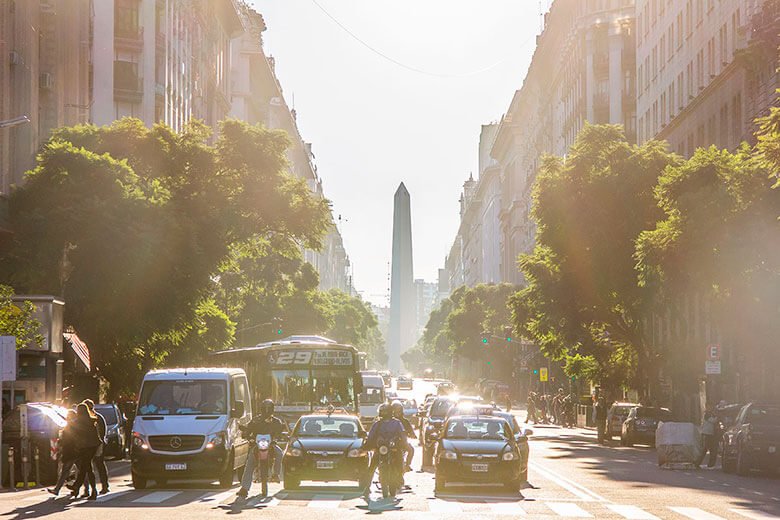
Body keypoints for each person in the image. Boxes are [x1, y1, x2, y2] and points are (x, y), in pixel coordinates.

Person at [236, 399, 286, 499]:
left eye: (269, 408)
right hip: (257, 445)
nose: (267, 411)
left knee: (280, 453)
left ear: (272, 409)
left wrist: (281, 435)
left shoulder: (276, 421)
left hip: (271, 444)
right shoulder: (255, 420)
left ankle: (276, 474)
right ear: (262, 409)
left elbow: (280, 430)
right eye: (265, 408)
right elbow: (248, 428)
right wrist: (246, 433)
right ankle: (244, 488)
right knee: (250, 463)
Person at [362, 403, 407, 498]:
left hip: (393, 448)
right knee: (372, 467)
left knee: (400, 462)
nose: (384, 413)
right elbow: (371, 435)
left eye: (385, 411)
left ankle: (400, 477)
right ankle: (366, 486)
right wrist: (367, 445)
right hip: (381, 449)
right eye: (382, 411)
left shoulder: (397, 423)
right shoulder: (377, 424)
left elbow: (403, 434)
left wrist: (403, 443)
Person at [71, 403, 101, 500]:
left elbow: (75, 436)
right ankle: (79, 487)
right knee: (86, 468)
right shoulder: (92, 420)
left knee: (86, 468)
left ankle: (79, 486)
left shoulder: (78, 422)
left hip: (85, 447)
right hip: (93, 446)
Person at [81, 399, 109, 494]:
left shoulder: (97, 418)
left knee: (99, 464)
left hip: (97, 444)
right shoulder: (86, 419)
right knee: (89, 467)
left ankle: (104, 485)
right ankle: (87, 489)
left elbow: (103, 432)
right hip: (89, 445)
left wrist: (100, 443)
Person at [47, 410, 78, 496]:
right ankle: (86, 490)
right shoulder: (75, 425)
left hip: (71, 452)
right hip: (76, 451)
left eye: (68, 416)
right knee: (81, 471)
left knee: (65, 471)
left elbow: (67, 440)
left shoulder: (70, 426)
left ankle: (57, 489)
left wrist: (61, 442)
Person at [390, 401, 415, 472]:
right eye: (395, 410)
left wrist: (412, 434)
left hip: (402, 442)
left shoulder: (405, 421)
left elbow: (411, 431)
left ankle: (407, 465)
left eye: (398, 410)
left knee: (411, 450)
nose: (397, 412)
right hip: (388, 442)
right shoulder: (387, 421)